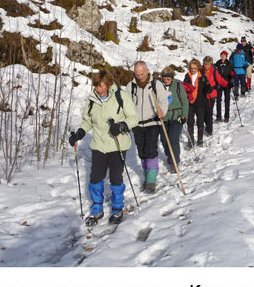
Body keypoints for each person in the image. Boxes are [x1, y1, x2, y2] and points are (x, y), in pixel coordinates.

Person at [69, 70, 139, 226]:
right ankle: (97, 208)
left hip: (117, 144)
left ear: (108, 84)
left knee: (115, 178)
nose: (98, 89)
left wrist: (121, 126)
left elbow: (134, 118)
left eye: (101, 85)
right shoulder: (91, 100)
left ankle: (117, 208)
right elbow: (87, 121)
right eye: (96, 86)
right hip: (99, 145)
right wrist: (80, 133)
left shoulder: (121, 96)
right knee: (95, 178)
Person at [129, 61, 169, 193]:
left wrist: (162, 110)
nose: (139, 76)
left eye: (141, 73)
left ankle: (151, 180)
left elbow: (164, 101)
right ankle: (146, 178)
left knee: (150, 149)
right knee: (142, 151)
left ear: (147, 71)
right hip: (137, 124)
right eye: (137, 74)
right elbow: (126, 104)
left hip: (152, 122)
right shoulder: (131, 86)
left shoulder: (156, 85)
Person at [159, 66, 189, 173]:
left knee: (173, 139)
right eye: (164, 79)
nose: (166, 81)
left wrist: (184, 115)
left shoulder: (177, 85)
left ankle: (174, 162)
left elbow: (184, 101)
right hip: (164, 117)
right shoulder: (159, 87)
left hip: (177, 117)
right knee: (164, 139)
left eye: (168, 79)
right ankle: (169, 155)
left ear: (172, 78)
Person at [183, 59, 209, 148]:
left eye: (194, 68)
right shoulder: (187, 76)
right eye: (191, 68)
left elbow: (207, 88)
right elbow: (184, 88)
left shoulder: (202, 76)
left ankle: (200, 139)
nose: (193, 70)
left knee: (200, 121)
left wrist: (208, 87)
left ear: (198, 68)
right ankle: (190, 140)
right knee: (190, 121)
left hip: (200, 101)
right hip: (190, 102)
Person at [202, 56, 228, 136]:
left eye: (208, 64)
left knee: (209, 112)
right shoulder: (200, 71)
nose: (206, 66)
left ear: (210, 64)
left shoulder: (214, 71)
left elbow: (220, 80)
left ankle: (209, 130)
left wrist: (227, 84)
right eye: (205, 64)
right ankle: (207, 126)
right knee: (203, 112)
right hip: (202, 94)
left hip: (211, 94)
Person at [214, 51, 234, 122]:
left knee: (227, 100)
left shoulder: (229, 64)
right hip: (219, 83)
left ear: (226, 56)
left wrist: (232, 74)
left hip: (227, 83)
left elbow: (233, 72)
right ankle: (218, 116)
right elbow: (214, 73)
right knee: (218, 100)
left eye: (224, 55)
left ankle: (226, 117)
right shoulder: (217, 63)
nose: (223, 56)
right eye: (222, 55)